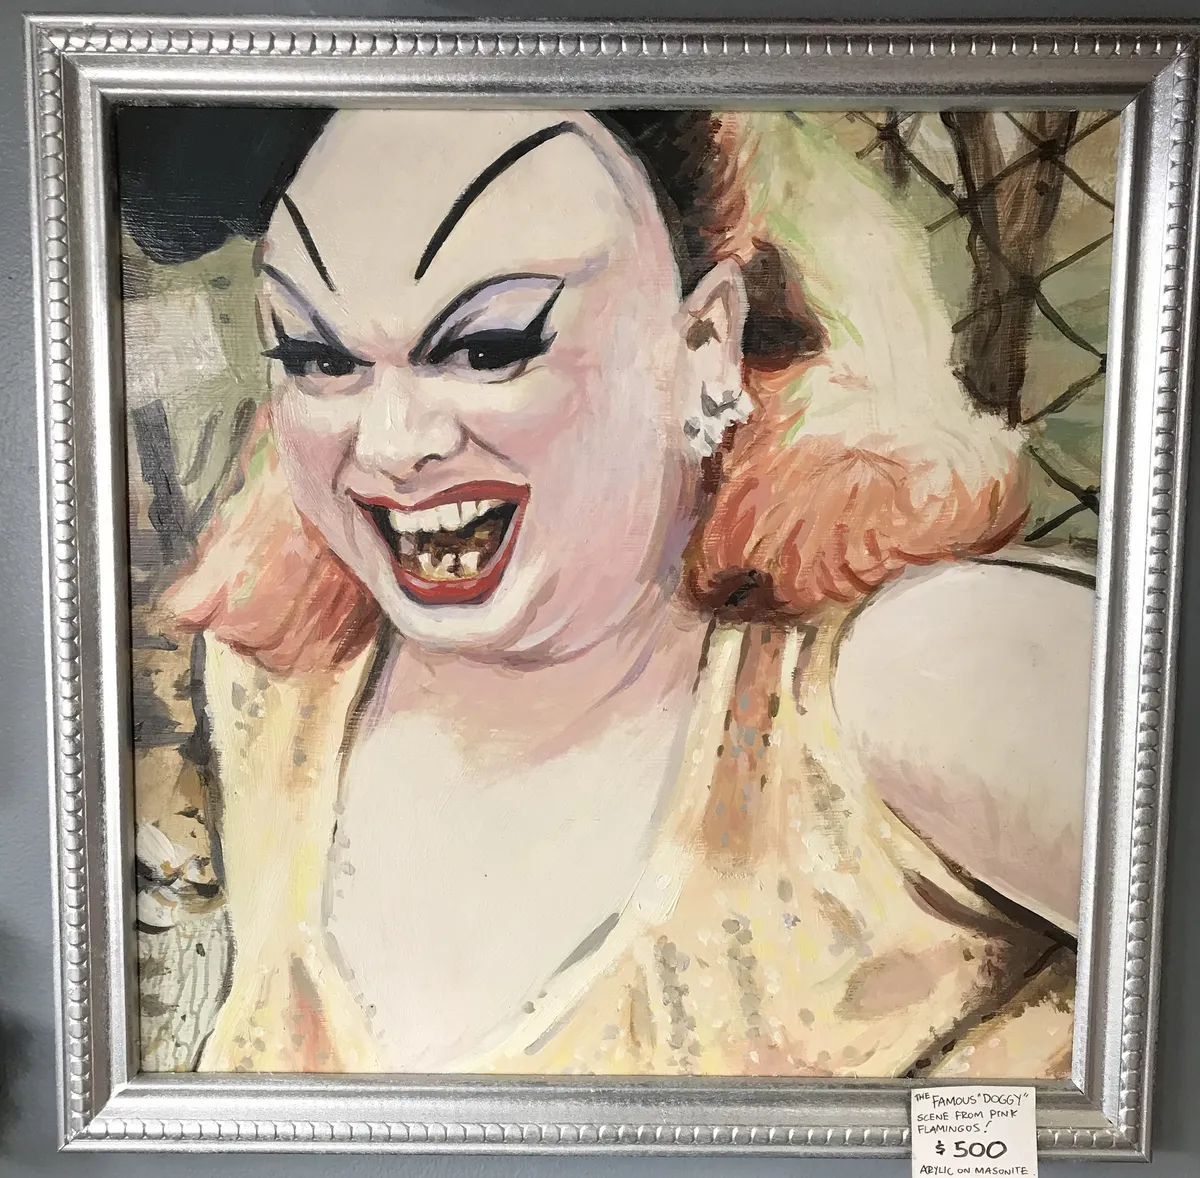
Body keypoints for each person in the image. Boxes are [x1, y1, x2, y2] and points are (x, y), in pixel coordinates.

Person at [125, 107, 1094, 1077]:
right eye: (320, 360)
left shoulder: (929, 681)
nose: (390, 444)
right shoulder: (278, 697)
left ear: (705, 343)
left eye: (489, 346)